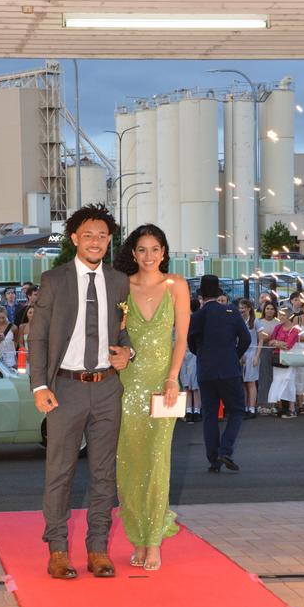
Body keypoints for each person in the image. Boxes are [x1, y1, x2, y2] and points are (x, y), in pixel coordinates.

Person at [29, 203, 133, 581]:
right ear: (74, 238)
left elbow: (122, 331)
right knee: (60, 472)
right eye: (88, 235)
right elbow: (37, 336)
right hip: (65, 389)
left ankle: (98, 548)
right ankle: (57, 549)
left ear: (109, 241)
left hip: (107, 388)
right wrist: (39, 385)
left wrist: (128, 351)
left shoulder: (120, 281)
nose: (95, 241)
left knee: (105, 474)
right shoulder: (54, 280)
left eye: (102, 236)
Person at [113, 224, 190, 571]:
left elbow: (182, 339)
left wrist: (173, 378)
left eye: (155, 249)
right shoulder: (122, 287)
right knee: (129, 464)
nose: (148, 256)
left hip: (163, 387)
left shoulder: (176, 286)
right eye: (142, 249)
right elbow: (115, 337)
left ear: (164, 252)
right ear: (133, 253)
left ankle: (154, 541)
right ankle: (137, 538)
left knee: (158, 464)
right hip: (127, 386)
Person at [188, 274, 250, 473]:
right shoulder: (231, 312)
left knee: (210, 415)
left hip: (206, 371)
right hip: (229, 369)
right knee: (238, 410)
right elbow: (246, 339)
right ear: (218, 294)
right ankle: (226, 450)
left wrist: (203, 355)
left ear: (202, 296)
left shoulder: (197, 316)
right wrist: (234, 355)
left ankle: (214, 461)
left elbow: (191, 343)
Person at [266, 309, 301, 417]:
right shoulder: (277, 327)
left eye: (283, 315)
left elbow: (288, 345)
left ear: (289, 316)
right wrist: (279, 343)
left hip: (289, 359)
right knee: (278, 382)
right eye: (280, 315)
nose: (281, 317)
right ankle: (282, 407)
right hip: (278, 358)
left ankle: (291, 409)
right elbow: (270, 342)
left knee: (288, 382)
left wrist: (276, 343)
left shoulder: (295, 329)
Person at [255, 299, 280, 412]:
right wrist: (271, 337)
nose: (270, 311)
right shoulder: (258, 321)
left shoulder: (278, 322)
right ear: (264, 310)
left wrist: (269, 338)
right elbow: (259, 338)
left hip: (276, 352)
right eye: (267, 308)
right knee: (263, 377)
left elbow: (280, 337)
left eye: (272, 309)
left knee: (274, 378)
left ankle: (272, 404)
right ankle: (261, 404)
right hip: (263, 351)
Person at [238, 298, 259, 417]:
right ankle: (245, 407)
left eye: (243, 308)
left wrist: (256, 356)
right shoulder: (238, 321)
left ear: (249, 309)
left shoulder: (255, 321)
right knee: (243, 383)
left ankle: (251, 408)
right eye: (240, 308)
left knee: (251, 382)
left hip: (252, 355)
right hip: (242, 356)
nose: (241, 310)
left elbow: (261, 339)